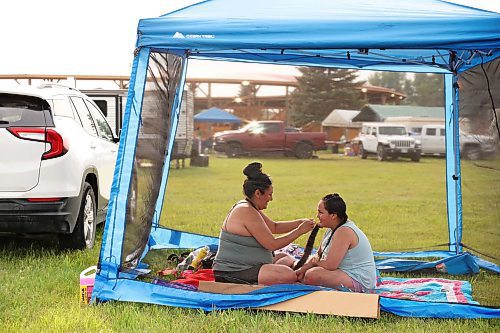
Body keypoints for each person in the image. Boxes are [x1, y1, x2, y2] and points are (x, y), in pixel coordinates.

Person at [213, 162, 316, 285]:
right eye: (269, 194)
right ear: (258, 193)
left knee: (285, 257)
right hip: (233, 271)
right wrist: (299, 231)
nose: (271, 199)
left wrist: (300, 222)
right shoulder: (246, 211)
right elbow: (272, 244)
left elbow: (274, 227)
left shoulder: (249, 206)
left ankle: (273, 270)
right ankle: (277, 272)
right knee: (288, 275)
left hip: (252, 264)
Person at [295, 193, 377, 292]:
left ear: (333, 215)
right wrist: (300, 270)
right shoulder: (331, 229)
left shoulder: (344, 231)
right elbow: (319, 255)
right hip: (343, 272)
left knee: (312, 275)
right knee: (306, 271)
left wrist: (315, 263)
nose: (317, 216)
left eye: (320, 212)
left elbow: (330, 265)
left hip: (360, 280)